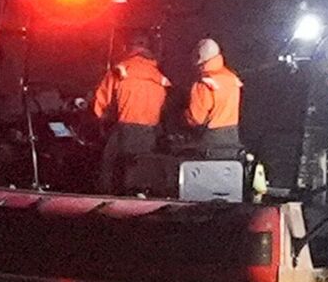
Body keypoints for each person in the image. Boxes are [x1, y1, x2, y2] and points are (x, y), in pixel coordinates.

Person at [90, 36, 169, 193]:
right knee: (142, 170)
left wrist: (102, 120)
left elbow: (100, 103)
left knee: (109, 165)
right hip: (150, 132)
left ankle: (107, 200)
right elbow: (165, 107)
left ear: (129, 49)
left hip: (125, 129)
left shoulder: (120, 70)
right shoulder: (159, 77)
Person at [183, 37, 243, 158]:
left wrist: (184, 116)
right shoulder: (232, 78)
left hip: (212, 140)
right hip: (232, 137)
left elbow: (197, 118)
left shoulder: (204, 82)